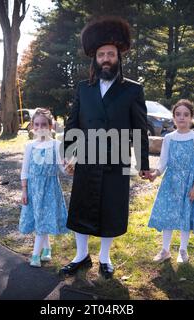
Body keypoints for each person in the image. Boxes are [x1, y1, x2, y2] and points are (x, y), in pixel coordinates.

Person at [61, 17, 151, 279]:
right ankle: (80, 256)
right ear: (95, 59)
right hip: (87, 157)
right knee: (81, 208)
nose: (106, 58)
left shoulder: (133, 90)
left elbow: (139, 130)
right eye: (102, 54)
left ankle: (105, 257)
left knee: (111, 210)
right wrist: (70, 155)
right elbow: (73, 123)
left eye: (111, 53)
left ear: (118, 57)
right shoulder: (83, 88)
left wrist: (143, 164)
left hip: (118, 159)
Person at [148, 99, 194, 264]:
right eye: (178, 114)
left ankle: (183, 250)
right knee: (168, 215)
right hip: (170, 184)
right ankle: (165, 250)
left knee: (185, 216)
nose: (182, 118)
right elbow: (163, 162)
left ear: (191, 117)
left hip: (189, 183)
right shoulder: (169, 138)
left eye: (186, 115)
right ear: (173, 118)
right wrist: (155, 174)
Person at [19, 108, 69, 268]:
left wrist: (69, 166)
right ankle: (46, 249)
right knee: (40, 220)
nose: (40, 128)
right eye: (37, 124)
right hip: (34, 189)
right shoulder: (30, 146)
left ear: (50, 126)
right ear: (32, 126)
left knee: (42, 220)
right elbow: (25, 170)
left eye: (43, 125)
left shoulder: (56, 145)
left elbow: (62, 169)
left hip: (49, 189)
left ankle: (35, 256)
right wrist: (24, 190)